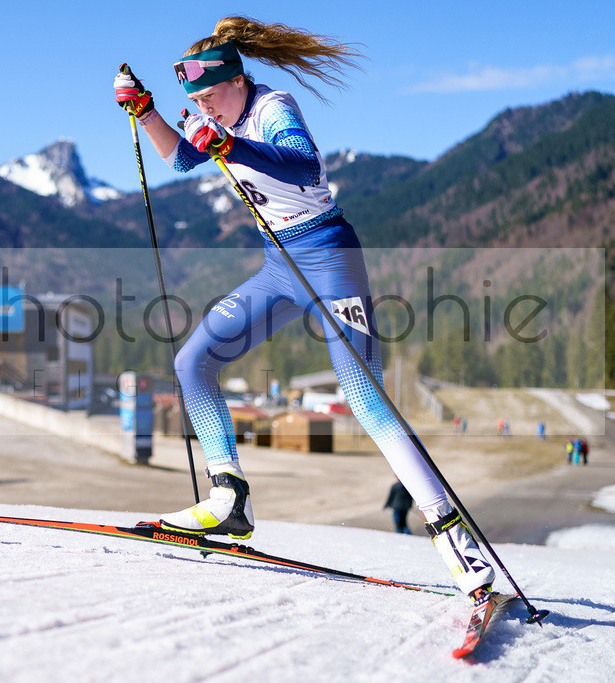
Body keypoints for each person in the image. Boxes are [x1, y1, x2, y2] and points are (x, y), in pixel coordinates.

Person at [114, 16, 496, 600]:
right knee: (193, 361)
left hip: (329, 260)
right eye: (195, 101)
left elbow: (304, 164)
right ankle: (227, 500)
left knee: (366, 401)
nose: (205, 110)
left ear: (237, 81)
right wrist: (147, 114)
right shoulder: (211, 114)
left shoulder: (272, 107)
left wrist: (231, 143)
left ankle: (453, 535)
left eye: (211, 97)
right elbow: (181, 159)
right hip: (279, 267)